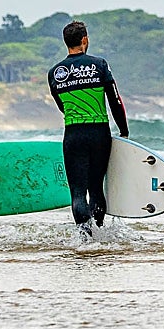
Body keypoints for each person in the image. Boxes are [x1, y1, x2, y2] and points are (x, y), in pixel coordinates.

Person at [47, 20, 129, 238]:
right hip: (99, 134)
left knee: (77, 193)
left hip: (73, 134)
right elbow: (115, 101)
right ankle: (99, 235)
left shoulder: (55, 72)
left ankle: (84, 239)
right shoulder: (99, 64)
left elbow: (62, 107)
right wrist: (123, 130)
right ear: (84, 40)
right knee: (96, 188)